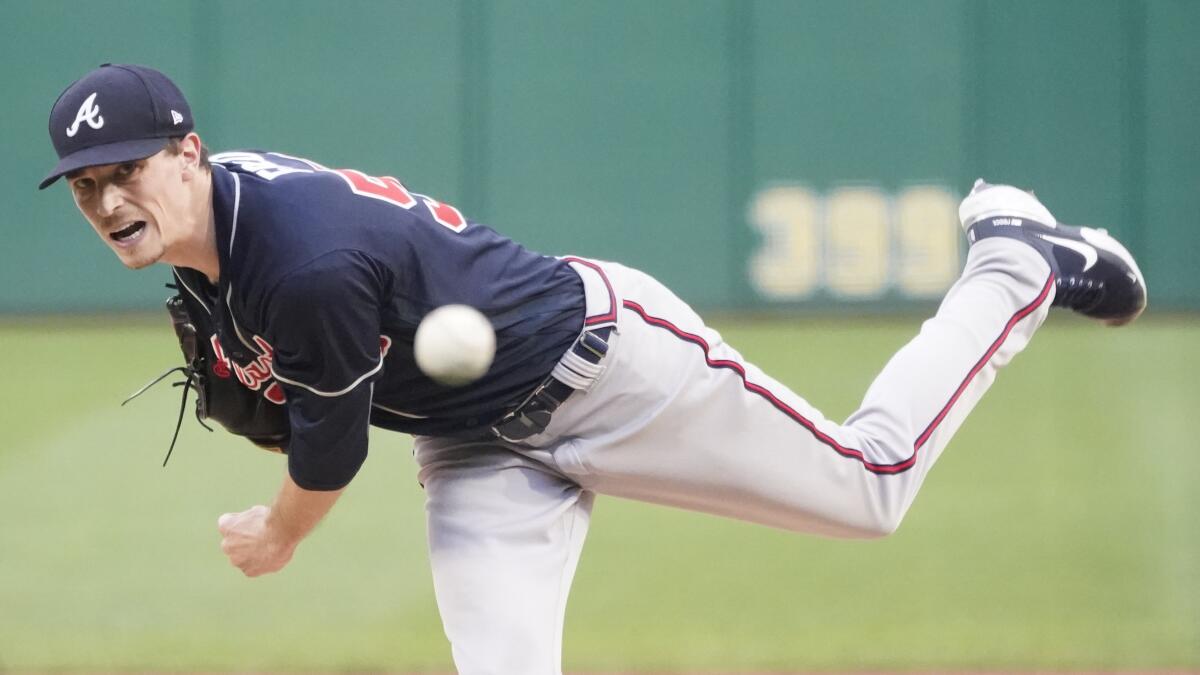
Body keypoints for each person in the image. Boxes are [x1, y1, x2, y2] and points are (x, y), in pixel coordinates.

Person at [42, 64, 1147, 674]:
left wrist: (279, 530)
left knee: (870, 488)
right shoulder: (215, 224)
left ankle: (1011, 259)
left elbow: (326, 456)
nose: (106, 202)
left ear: (187, 153)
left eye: (124, 171)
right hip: (476, 443)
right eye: (86, 186)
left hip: (613, 368)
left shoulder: (302, 263)